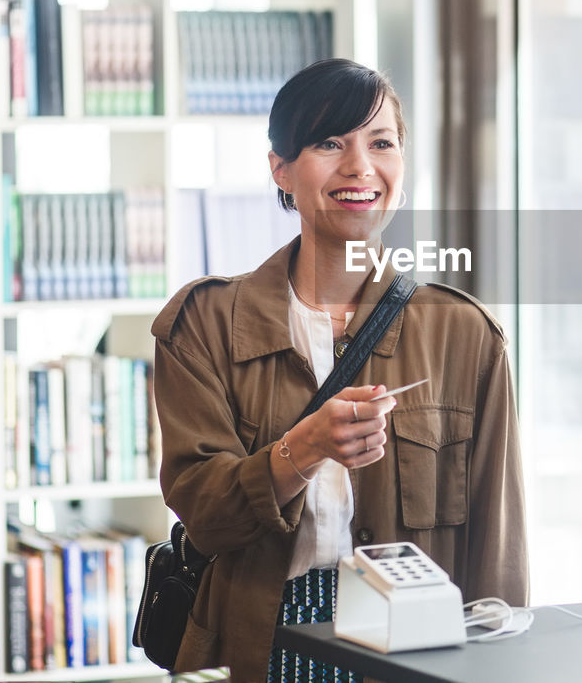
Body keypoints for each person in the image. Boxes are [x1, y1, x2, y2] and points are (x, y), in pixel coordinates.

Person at [151, 58, 528, 683]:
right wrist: (301, 450)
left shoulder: (465, 335)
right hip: (254, 643)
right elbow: (206, 516)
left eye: (381, 143)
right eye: (330, 143)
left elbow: (499, 555)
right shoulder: (203, 323)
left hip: (412, 651)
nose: (359, 167)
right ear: (281, 168)